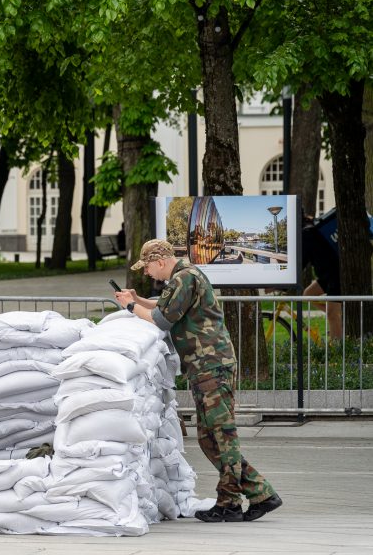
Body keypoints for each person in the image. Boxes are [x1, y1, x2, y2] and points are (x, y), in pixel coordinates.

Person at [114, 239, 283, 523]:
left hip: (211, 366)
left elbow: (161, 320)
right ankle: (261, 493)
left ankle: (229, 501)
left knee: (221, 435)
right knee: (208, 439)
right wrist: (137, 299)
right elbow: (161, 307)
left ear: (160, 261)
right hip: (203, 367)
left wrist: (131, 307)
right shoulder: (182, 278)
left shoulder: (185, 278)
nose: (147, 274)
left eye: (147, 268)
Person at [301, 215, 343, 340]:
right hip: (327, 275)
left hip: (336, 275)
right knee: (308, 295)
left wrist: (280, 286)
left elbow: (300, 263)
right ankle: (339, 318)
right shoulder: (310, 229)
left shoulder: (307, 234)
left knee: (331, 315)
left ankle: (338, 353)